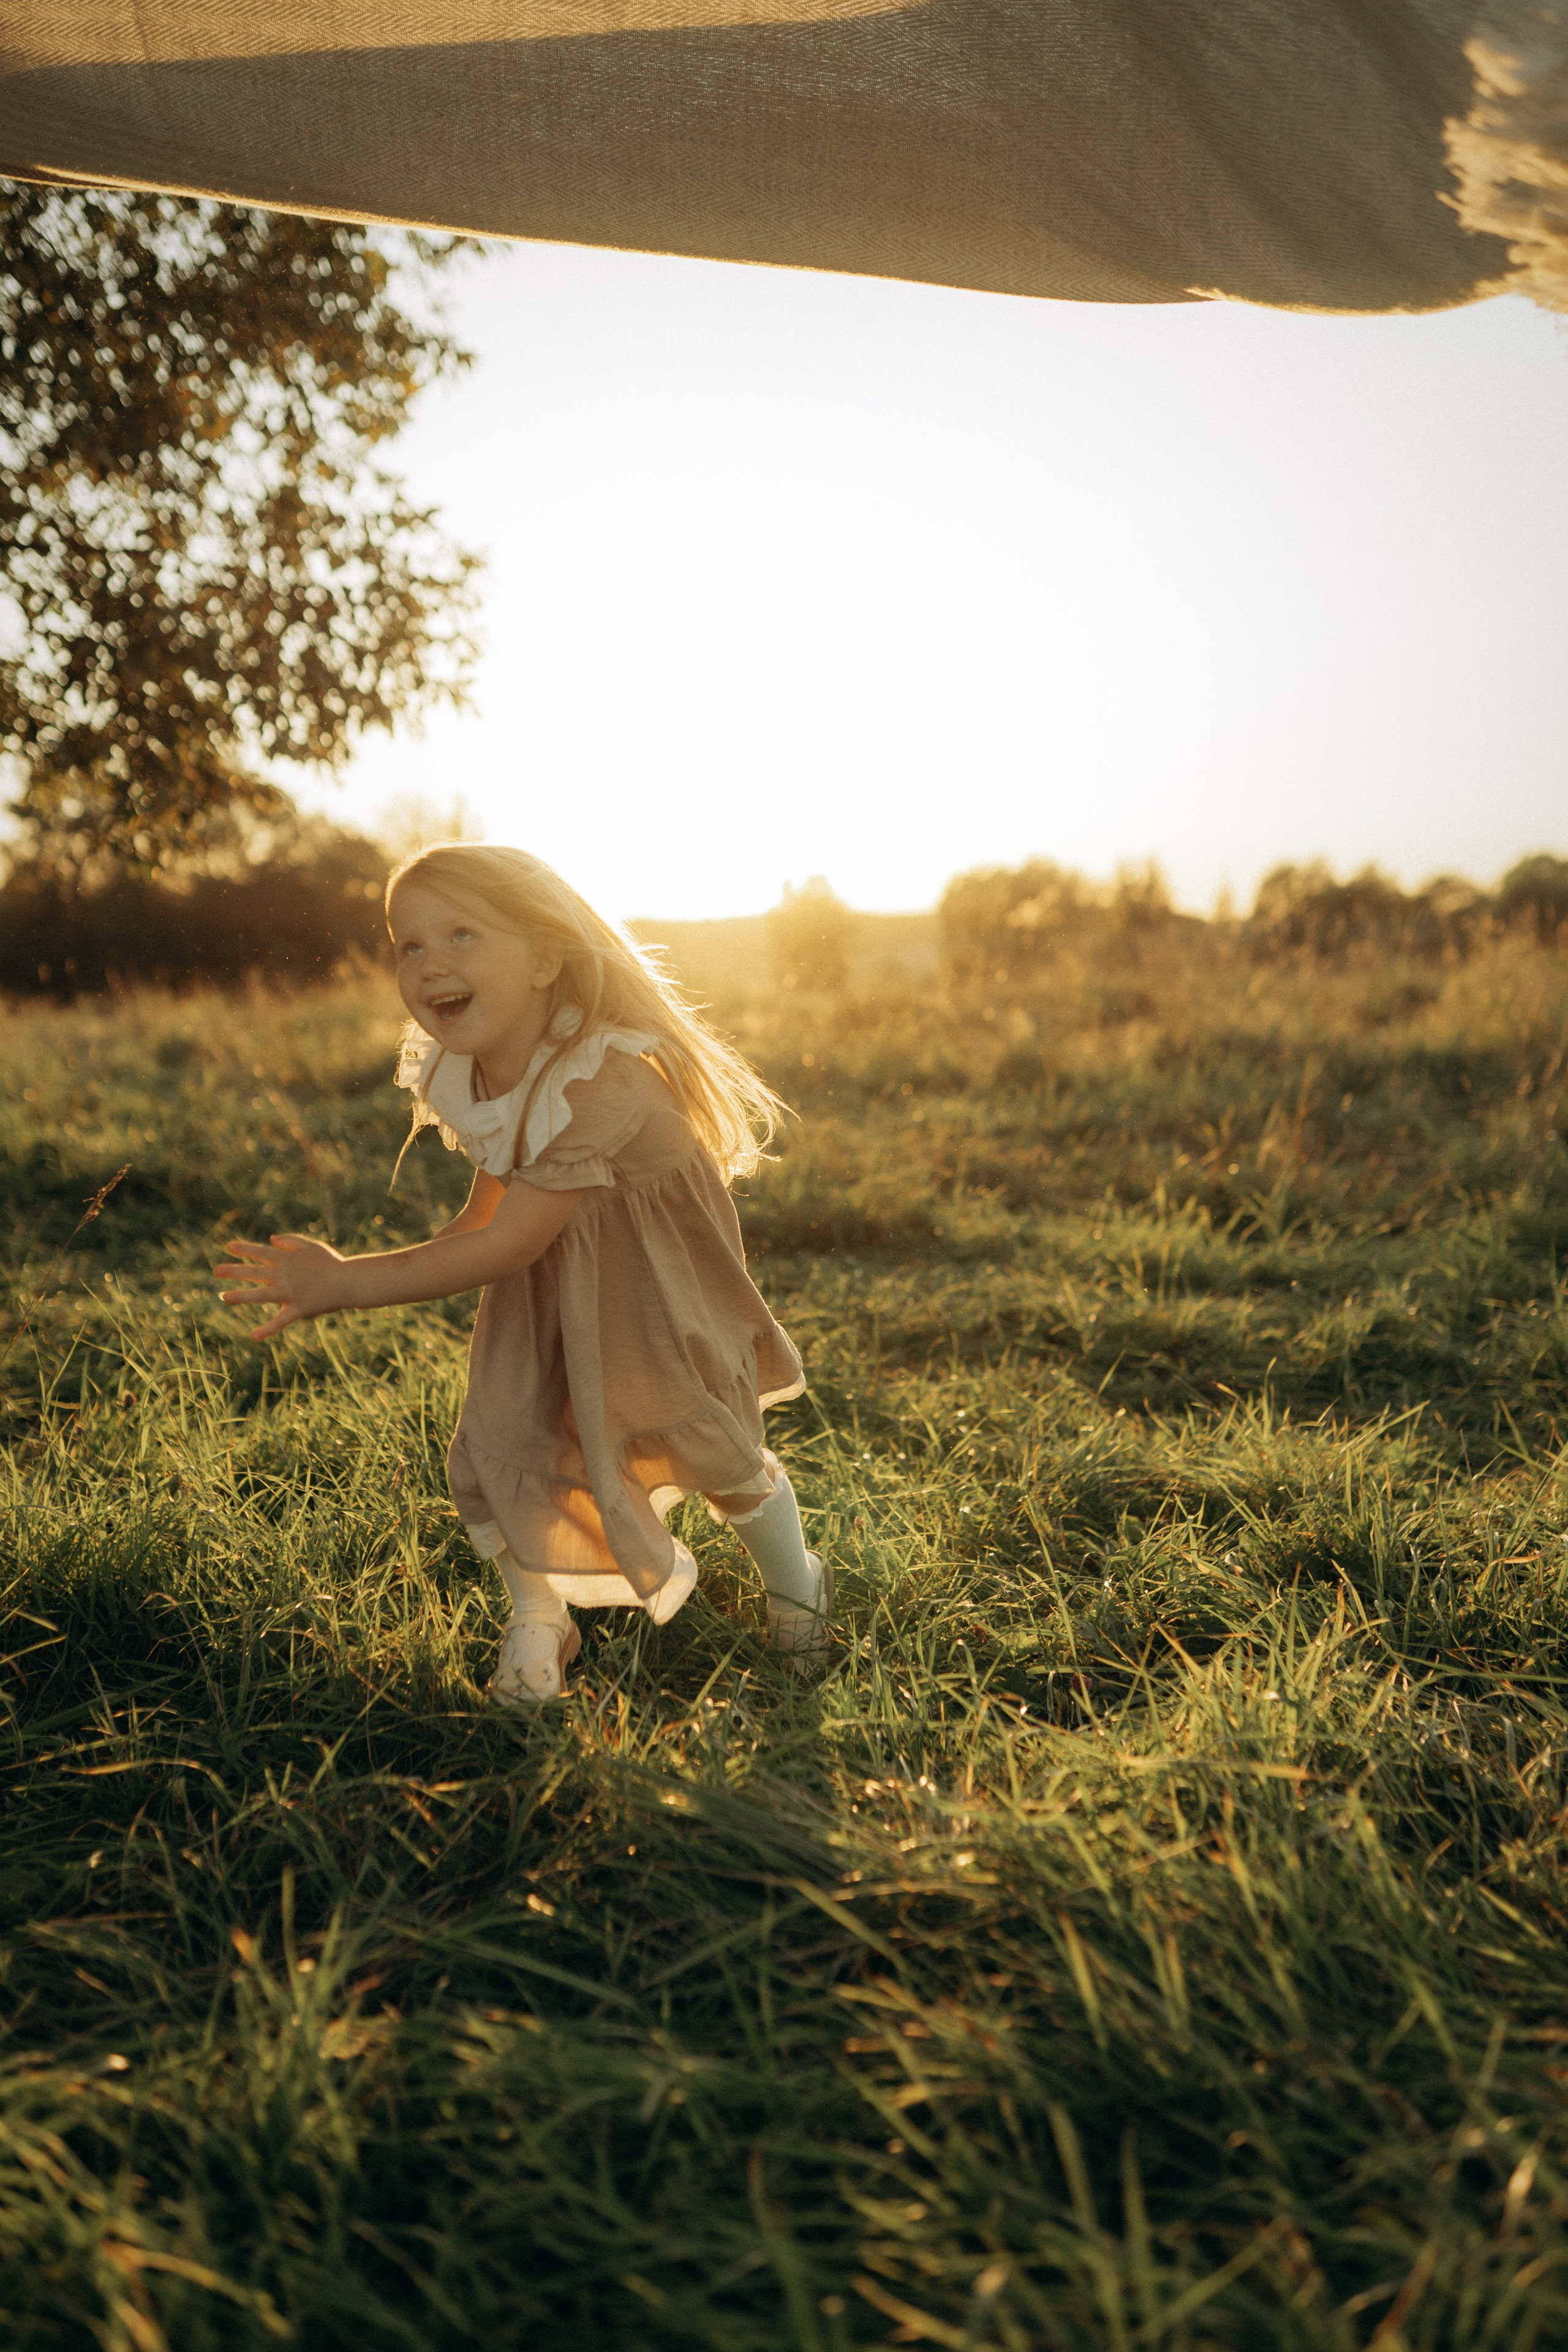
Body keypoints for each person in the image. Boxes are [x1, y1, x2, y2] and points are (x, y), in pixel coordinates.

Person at [215, 843, 829, 1705]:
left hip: (653, 1292)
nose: (430, 964)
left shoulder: (597, 1080)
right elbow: (488, 1212)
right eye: (409, 944)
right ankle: (540, 1621)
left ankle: (798, 1587)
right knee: (505, 1439)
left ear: (544, 959)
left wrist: (347, 1281)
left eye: (461, 935)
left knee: (715, 1454)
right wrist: (389, 1266)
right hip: (548, 1288)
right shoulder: (482, 1068)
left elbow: (507, 1243)